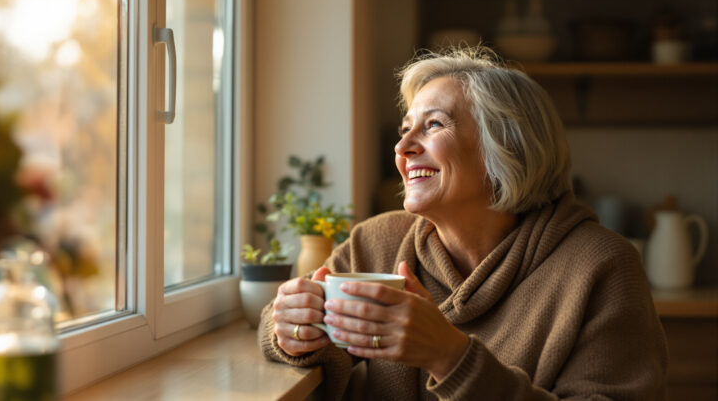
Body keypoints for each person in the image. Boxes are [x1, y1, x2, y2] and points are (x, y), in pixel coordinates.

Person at [258, 46, 667, 400]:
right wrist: (291, 326)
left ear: (506, 147)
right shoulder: (378, 241)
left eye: (433, 125)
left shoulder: (603, 267)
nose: (402, 148)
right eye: (404, 130)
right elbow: (293, 328)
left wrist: (450, 358)